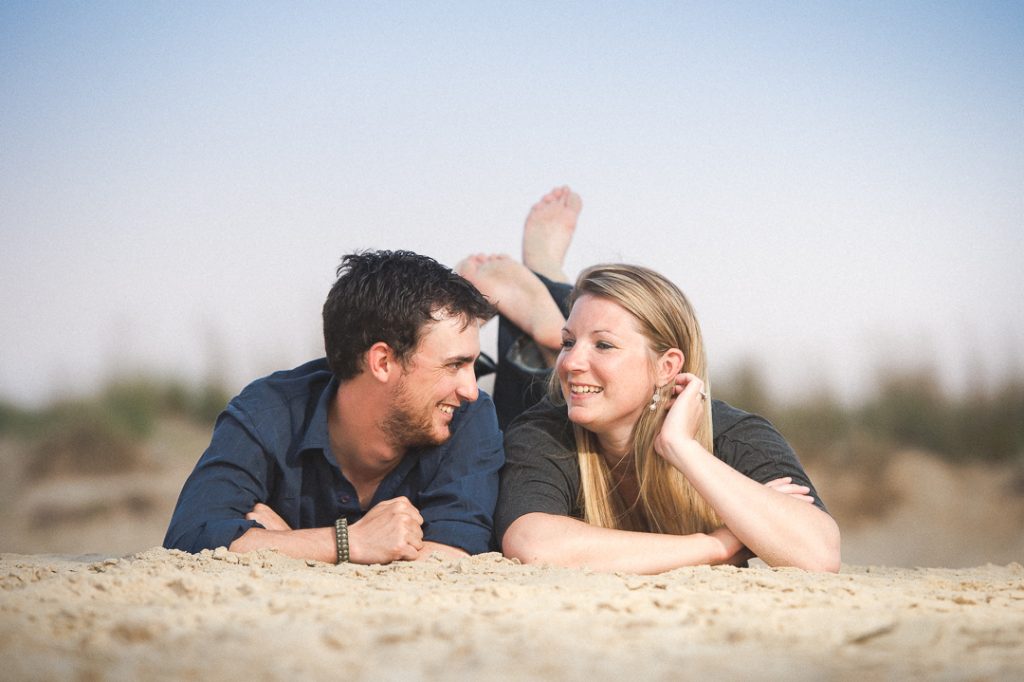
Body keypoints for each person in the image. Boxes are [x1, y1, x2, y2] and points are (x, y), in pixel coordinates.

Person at [459, 187, 841, 574]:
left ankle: (545, 287)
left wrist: (682, 448)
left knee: (554, 371)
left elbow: (818, 555)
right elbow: (534, 545)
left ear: (666, 367)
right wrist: (717, 545)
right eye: (567, 342)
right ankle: (547, 298)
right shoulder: (545, 431)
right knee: (529, 395)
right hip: (541, 410)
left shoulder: (733, 435)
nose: (571, 361)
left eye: (604, 345)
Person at [164, 250, 504, 565]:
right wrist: (348, 543)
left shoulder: (466, 418)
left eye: (473, 366)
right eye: (454, 365)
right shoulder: (266, 413)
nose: (471, 390)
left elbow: (452, 558)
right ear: (383, 362)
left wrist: (285, 543)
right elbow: (189, 538)